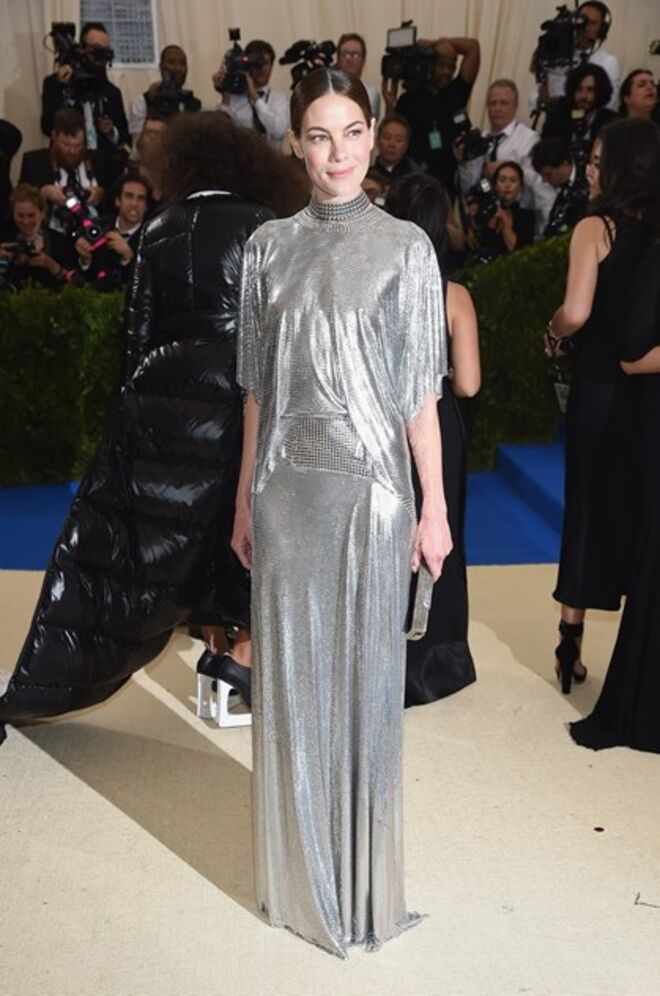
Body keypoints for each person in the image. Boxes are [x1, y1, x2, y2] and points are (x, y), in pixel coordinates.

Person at [231, 66, 452, 958]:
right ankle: (298, 878)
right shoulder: (266, 249)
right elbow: (255, 388)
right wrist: (246, 495)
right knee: (289, 683)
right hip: (285, 492)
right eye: (319, 135)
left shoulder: (406, 249)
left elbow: (418, 397)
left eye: (353, 131)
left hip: (372, 495)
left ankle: (359, 888)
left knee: (361, 686)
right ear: (295, 142)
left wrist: (434, 507)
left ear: (375, 133)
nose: (338, 153)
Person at [0, 112, 306, 738]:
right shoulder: (265, 227)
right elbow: (276, 337)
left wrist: (134, 411)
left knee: (149, 544)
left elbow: (134, 339)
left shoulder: (160, 227)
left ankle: (204, 658)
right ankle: (234, 664)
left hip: (161, 404)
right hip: (237, 398)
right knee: (244, 528)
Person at [544, 119, 658, 696]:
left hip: (597, 389)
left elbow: (577, 311)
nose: (590, 168)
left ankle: (570, 649)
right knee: (643, 516)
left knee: (586, 512)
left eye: (596, 159)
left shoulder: (595, 227)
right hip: (648, 395)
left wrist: (553, 331)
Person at [386, 172, 480, 705]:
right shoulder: (454, 296)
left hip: (380, 424)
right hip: (437, 425)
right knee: (439, 534)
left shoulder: (371, 282)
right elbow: (467, 383)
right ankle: (436, 655)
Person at [392, 36, 480, 198]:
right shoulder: (410, 98)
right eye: (441, 65)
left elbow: (473, 47)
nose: (446, 72)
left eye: (451, 67)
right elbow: (394, 135)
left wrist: (436, 42)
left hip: (446, 185)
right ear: (429, 65)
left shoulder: (457, 92)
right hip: (414, 184)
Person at [41, 21, 129, 180]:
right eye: (95, 51)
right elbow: (47, 126)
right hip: (65, 166)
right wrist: (64, 90)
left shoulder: (112, 93)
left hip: (103, 169)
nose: (99, 58)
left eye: (104, 52)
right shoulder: (55, 84)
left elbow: (124, 136)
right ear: (81, 50)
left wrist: (111, 132)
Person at [20, 108, 105, 237]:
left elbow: (115, 199)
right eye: (66, 144)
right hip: (52, 237)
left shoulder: (99, 161)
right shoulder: (34, 162)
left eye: (78, 145)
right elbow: (20, 201)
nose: (72, 151)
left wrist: (101, 194)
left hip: (94, 234)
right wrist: (43, 193)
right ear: (54, 136)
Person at [530, 1, 620, 113]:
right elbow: (534, 98)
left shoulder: (608, 62)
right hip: (554, 123)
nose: (585, 27)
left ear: (602, 29)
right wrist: (541, 100)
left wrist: (555, 104)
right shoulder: (557, 56)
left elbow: (610, 105)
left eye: (592, 23)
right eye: (582, 20)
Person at [456, 79, 539, 197]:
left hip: (515, 210)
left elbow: (536, 184)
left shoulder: (529, 139)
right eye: (492, 103)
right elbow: (466, 189)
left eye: (504, 103)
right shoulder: (480, 140)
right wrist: (463, 163)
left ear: (515, 107)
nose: (497, 109)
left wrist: (504, 170)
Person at [73, 170, 150, 289]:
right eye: (129, 196)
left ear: (146, 206)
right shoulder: (99, 225)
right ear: (117, 201)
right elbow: (83, 279)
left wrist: (128, 257)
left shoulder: (152, 237)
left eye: (140, 198)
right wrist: (85, 261)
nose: (134, 204)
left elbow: (148, 285)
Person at [213, 39, 289, 149]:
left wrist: (254, 96)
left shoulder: (279, 99)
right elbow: (220, 134)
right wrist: (226, 89)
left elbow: (279, 130)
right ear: (247, 66)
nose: (262, 69)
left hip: (273, 164)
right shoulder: (233, 100)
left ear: (272, 66)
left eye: (266, 64)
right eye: (257, 64)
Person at [0, 184, 72, 289]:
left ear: (42, 214)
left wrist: (49, 264)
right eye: (20, 215)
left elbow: (74, 284)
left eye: (31, 215)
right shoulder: (5, 239)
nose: (26, 221)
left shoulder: (59, 242)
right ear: (13, 214)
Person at [128, 45, 201, 143]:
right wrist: (152, 104)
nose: (178, 68)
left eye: (182, 63)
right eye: (171, 62)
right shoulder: (142, 102)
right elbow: (137, 146)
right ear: (161, 67)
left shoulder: (194, 103)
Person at [542, 63, 617, 156]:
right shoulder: (557, 117)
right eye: (579, 89)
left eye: (590, 90)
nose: (583, 96)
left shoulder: (611, 123)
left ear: (599, 92)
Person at [468, 161, 535, 264]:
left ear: (520, 186)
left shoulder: (527, 216)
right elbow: (477, 246)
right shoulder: (486, 211)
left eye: (513, 181)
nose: (507, 185)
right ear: (495, 185)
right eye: (502, 180)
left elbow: (518, 251)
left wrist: (504, 220)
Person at [531, 138, 589, 237]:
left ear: (565, 163)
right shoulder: (563, 187)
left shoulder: (589, 180)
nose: (545, 181)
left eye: (548, 174)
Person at [335, 33, 380, 119]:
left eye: (355, 55)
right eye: (345, 54)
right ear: (338, 59)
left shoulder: (372, 93)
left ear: (363, 61)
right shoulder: (327, 90)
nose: (349, 59)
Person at [371, 113, 419, 183]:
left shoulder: (415, 177)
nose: (392, 144)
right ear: (377, 141)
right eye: (387, 137)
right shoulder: (367, 175)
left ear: (406, 146)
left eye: (399, 140)